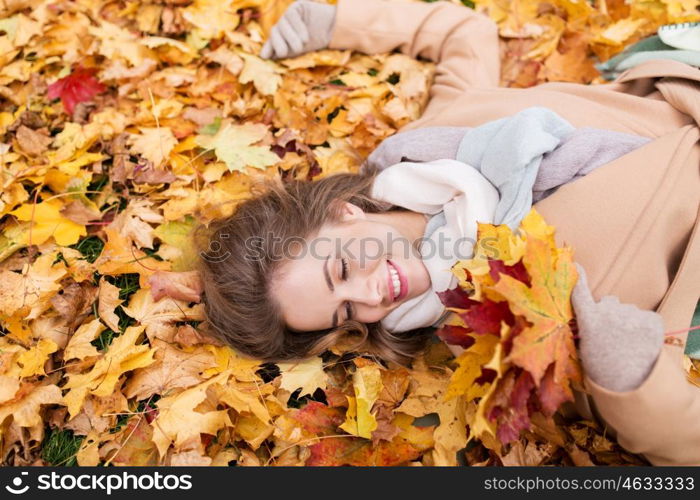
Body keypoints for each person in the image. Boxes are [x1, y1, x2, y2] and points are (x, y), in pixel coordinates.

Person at [199, 0, 700, 465]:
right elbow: (669, 439)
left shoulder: (429, 148)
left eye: (344, 269)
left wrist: (332, 21)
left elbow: (466, 32)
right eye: (347, 312)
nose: (372, 296)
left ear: (344, 212)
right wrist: (633, 383)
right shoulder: (488, 330)